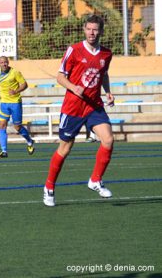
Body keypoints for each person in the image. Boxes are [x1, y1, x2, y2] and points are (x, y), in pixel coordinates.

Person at [43, 14, 115, 207]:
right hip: (73, 106)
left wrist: (108, 92)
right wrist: (73, 87)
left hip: (93, 105)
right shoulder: (73, 50)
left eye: (95, 29)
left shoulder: (106, 54)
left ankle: (95, 180)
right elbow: (60, 77)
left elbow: (104, 74)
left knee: (108, 139)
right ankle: (49, 186)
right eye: (89, 29)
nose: (92, 33)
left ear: (100, 31)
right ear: (84, 29)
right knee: (65, 148)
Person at [0, 56, 35, 158]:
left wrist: (16, 91)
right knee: (2, 125)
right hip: (4, 103)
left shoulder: (15, 72)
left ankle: (29, 141)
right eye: (2, 62)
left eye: (5, 62)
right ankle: (4, 151)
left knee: (17, 127)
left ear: (8, 62)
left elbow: (25, 84)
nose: (4, 64)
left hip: (15, 103)